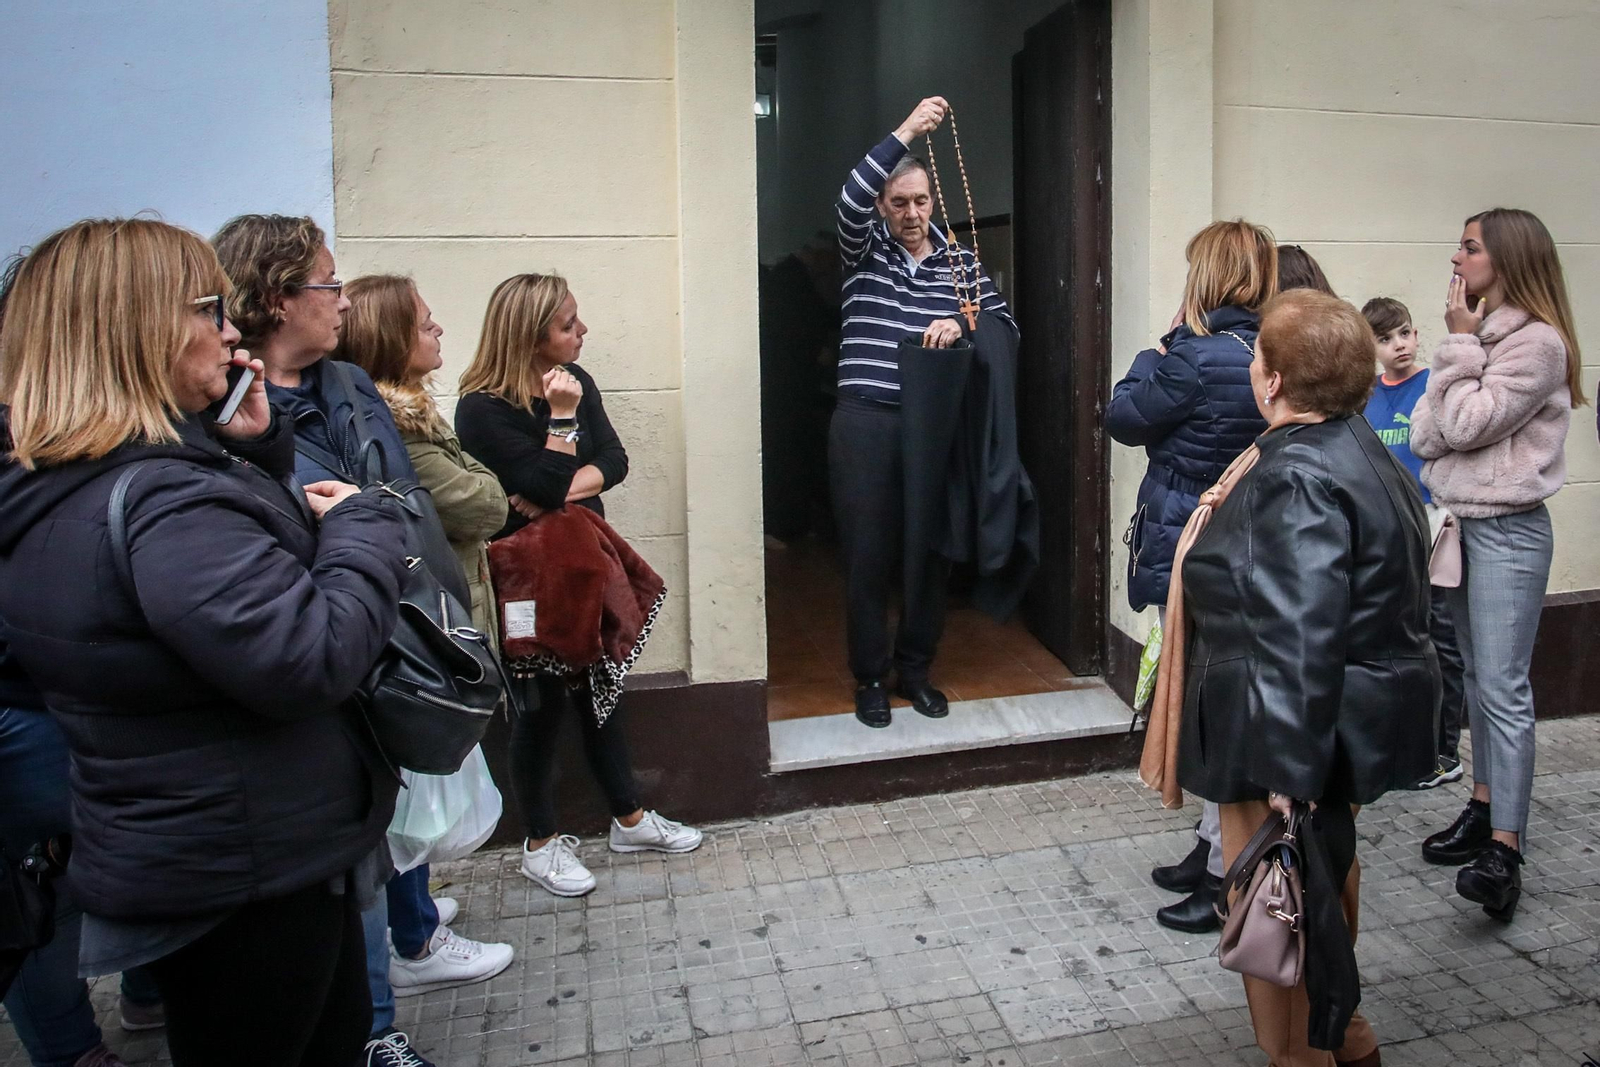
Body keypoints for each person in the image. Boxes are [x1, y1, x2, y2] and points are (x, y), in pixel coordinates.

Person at [0, 217, 411, 1066]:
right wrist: (363, 526)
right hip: (244, 864)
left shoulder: (71, 480)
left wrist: (255, 452)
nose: (231, 333)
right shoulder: (164, 501)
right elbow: (310, 655)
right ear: (136, 329)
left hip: (213, 844)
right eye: (208, 310)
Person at [212, 216, 511, 1067]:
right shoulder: (223, 410)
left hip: (390, 623)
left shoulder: (346, 381)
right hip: (316, 648)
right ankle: (376, 1032)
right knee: (355, 850)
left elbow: (404, 499)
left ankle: (376, 1004)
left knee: (380, 829)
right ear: (278, 299)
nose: (341, 300)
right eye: (328, 284)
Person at [1178, 288, 1436, 1066]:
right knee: (1324, 902)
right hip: (1334, 732)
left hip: (1283, 742)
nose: (1252, 368)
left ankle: (1303, 1053)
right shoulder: (1360, 445)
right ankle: (1348, 1040)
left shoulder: (1294, 473)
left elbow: (1301, 630)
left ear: (1275, 380)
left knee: (1280, 918)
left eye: (1258, 356)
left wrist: (1289, 775)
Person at [456, 272, 702, 898]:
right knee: (537, 707)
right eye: (568, 325)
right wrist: (562, 423)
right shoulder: (482, 408)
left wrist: (553, 490)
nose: (582, 331)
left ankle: (629, 819)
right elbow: (542, 479)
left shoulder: (577, 379)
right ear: (529, 335)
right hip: (527, 578)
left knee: (601, 691)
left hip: (584, 564)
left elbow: (613, 461)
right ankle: (540, 844)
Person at [1411, 208, 1584, 921]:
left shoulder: (1538, 343)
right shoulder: (1479, 335)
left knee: (1504, 687)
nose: (1457, 257)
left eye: (1470, 246)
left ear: (1507, 258)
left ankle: (1505, 850)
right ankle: (1483, 807)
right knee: (1479, 679)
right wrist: (1463, 351)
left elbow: (1462, 422)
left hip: (1509, 530)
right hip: (1461, 525)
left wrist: (1457, 346)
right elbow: (1426, 435)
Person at [1106, 219, 1278, 935]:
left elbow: (1123, 414)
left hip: (1190, 541)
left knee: (1204, 709)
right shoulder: (1268, 350)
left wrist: (1155, 348)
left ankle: (1219, 874)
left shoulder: (1192, 357)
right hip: (1245, 543)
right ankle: (1209, 847)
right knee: (1217, 701)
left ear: (1207, 277)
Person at [833, 95, 1017, 728]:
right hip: (865, 422)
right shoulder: (862, 250)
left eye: (921, 201)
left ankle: (915, 670)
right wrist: (908, 130)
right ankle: (869, 677)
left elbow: (1005, 328)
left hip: (932, 429)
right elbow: (848, 200)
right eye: (898, 203)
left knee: (930, 552)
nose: (911, 214)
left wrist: (963, 327)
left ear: (934, 202)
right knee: (867, 555)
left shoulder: (961, 263)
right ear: (882, 207)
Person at [336, 274, 507, 655]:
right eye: (426, 326)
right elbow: (486, 507)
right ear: (393, 340)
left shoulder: (415, 415)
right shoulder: (398, 432)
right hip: (444, 624)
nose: (439, 329)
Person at [1361, 296, 1467, 789]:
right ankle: (1401, 744)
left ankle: (1445, 750)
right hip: (1388, 527)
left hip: (1434, 523)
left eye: (1404, 333)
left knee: (1440, 636)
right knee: (1395, 635)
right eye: (1385, 339)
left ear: (1417, 333)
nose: (1399, 345)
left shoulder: (1432, 386)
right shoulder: (1367, 395)